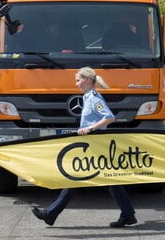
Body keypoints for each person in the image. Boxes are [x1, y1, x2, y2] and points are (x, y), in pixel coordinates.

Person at [30, 67, 138, 228]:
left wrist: (90, 128)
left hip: (94, 144)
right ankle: (128, 214)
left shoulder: (94, 98)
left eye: (78, 80)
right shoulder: (88, 97)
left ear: (87, 80)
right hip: (91, 144)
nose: (76, 84)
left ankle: (50, 214)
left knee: (77, 177)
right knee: (108, 180)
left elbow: (109, 117)